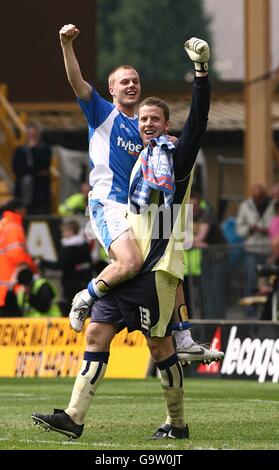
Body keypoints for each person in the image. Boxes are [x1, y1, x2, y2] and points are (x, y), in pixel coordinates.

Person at [32, 36, 215, 440]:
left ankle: (178, 425)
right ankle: (74, 418)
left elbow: (199, 123)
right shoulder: (139, 155)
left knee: (159, 347)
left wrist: (201, 73)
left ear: (166, 126)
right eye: (143, 120)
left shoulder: (173, 155)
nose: (147, 125)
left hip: (152, 267)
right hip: (135, 248)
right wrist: (66, 46)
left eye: (154, 120)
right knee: (99, 332)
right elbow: (79, 85)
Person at [58, 24, 223, 364]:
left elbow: (164, 149)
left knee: (170, 259)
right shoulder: (103, 113)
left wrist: (169, 142)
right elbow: (76, 82)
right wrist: (66, 44)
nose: (131, 85)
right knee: (131, 262)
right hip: (108, 203)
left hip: (142, 211)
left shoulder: (144, 126)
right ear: (111, 89)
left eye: (135, 80)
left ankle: (185, 336)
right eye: (124, 81)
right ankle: (85, 297)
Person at [40, 219, 93, 316]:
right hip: (84, 282)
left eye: (64, 231)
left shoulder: (70, 248)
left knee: (72, 309)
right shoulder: (84, 245)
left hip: (71, 284)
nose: (62, 234)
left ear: (70, 232)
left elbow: (61, 265)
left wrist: (42, 262)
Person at [236, 183, 274, 317]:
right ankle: (250, 310)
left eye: (261, 198)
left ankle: (268, 310)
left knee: (271, 281)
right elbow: (239, 229)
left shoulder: (273, 205)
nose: (258, 200)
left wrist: (268, 231)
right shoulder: (245, 206)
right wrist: (250, 230)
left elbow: (275, 223)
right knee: (251, 279)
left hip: (270, 250)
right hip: (252, 249)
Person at [0, 199, 37, 316]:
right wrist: (32, 266)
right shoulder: (13, 227)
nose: (25, 211)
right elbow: (17, 255)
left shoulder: (3, 224)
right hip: (10, 287)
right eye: (24, 208)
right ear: (18, 210)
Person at [12, 123, 52, 215]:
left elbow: (43, 165)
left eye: (34, 134)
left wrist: (33, 151)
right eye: (30, 134)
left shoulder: (44, 149)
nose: (32, 137)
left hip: (39, 194)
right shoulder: (20, 150)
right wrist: (35, 171)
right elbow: (16, 168)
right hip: (23, 192)